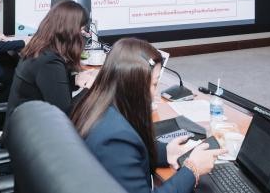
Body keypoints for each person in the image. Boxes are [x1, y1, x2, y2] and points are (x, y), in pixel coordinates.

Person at [71, 38, 225, 193]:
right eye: (154, 84)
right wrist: (193, 170)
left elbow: (126, 157)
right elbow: (123, 152)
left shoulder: (95, 105)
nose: (155, 93)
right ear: (135, 85)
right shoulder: (116, 138)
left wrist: (166, 153)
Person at [6, 0, 96, 120]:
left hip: (24, 123)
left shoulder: (41, 49)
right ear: (71, 31)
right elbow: (65, 114)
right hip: (33, 128)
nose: (82, 35)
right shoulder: (48, 62)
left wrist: (75, 80)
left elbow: (50, 86)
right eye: (81, 30)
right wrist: (89, 88)